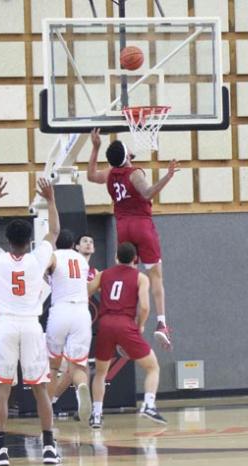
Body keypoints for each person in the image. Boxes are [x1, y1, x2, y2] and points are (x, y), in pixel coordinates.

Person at [0, 177, 61, 466]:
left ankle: (0, 452)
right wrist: (50, 199)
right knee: (40, 389)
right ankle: (49, 448)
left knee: (2, 391)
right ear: (28, 241)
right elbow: (55, 231)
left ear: (9, 240)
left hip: (7, 327)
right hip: (32, 326)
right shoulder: (38, 258)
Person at [87, 129, 179, 350]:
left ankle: (128, 327)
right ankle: (161, 324)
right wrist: (167, 176)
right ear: (127, 157)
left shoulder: (110, 173)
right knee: (155, 277)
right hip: (142, 226)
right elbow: (147, 193)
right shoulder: (134, 173)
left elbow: (90, 175)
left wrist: (96, 147)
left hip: (123, 229)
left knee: (129, 279)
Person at [88, 242, 167, 429]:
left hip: (105, 323)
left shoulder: (103, 274)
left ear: (116, 257)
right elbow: (146, 307)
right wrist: (140, 326)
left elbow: (84, 293)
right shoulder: (141, 278)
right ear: (135, 259)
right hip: (125, 324)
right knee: (153, 367)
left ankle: (97, 415)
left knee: (100, 372)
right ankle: (148, 404)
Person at [45, 229, 92, 423]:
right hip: (81, 312)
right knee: (78, 365)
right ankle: (81, 386)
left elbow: (43, 270)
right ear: (74, 245)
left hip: (60, 310)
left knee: (53, 366)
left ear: (57, 244)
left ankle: (47, 407)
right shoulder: (82, 260)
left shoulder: (54, 255)